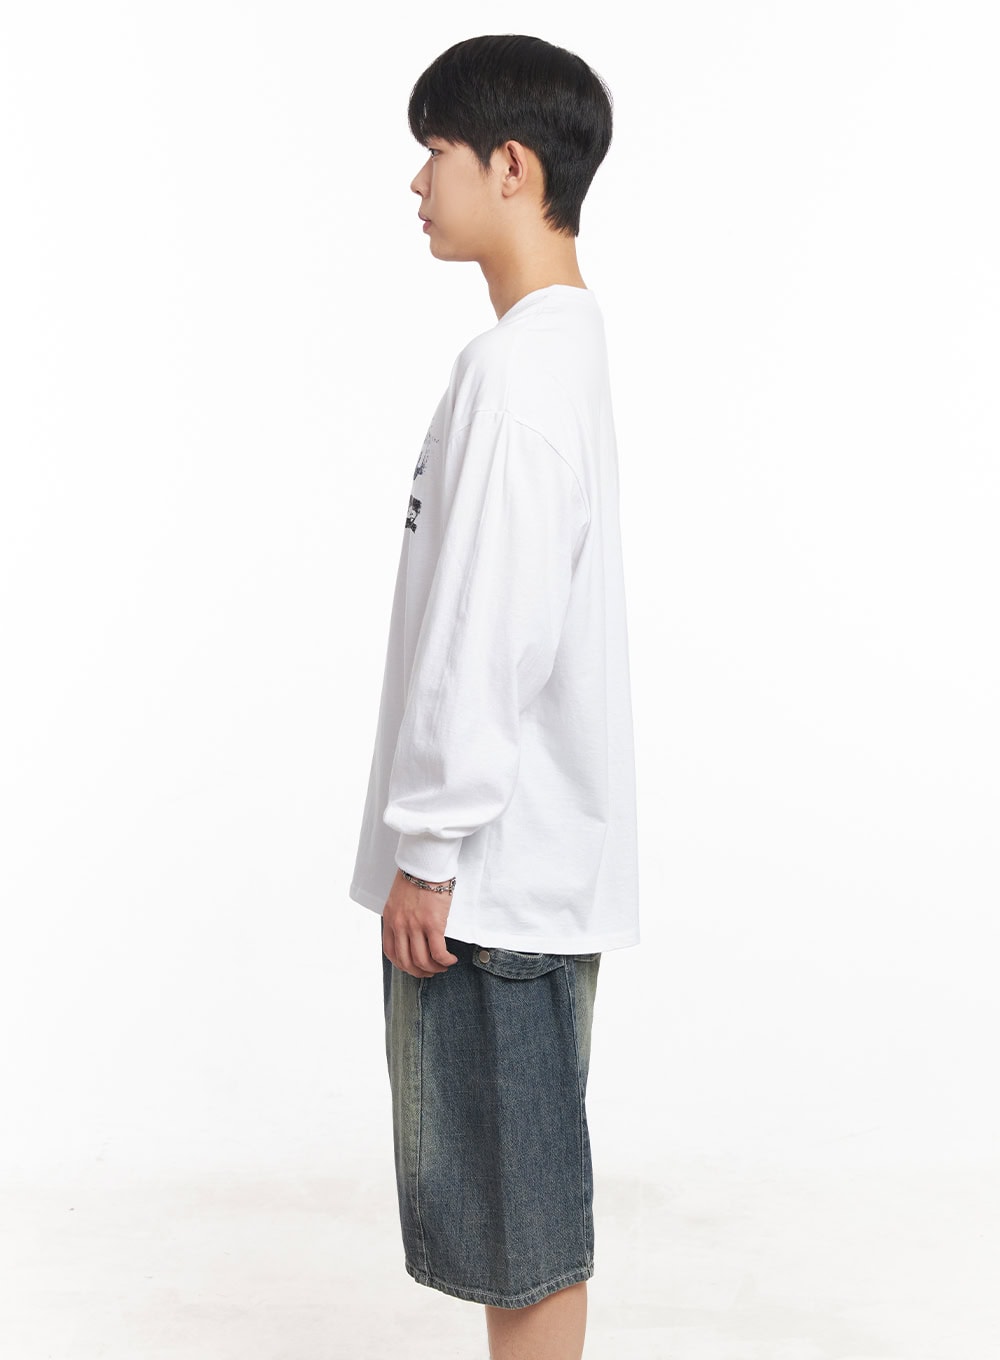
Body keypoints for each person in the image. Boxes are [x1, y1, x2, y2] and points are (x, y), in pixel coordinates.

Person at [348, 33, 640, 1360]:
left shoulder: (518, 373)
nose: (418, 184)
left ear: (510, 166)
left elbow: (490, 633)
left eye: (437, 153)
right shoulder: (556, 353)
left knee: (525, 1230)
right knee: (525, 1218)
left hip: (490, 887)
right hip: (517, 877)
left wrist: (429, 847)